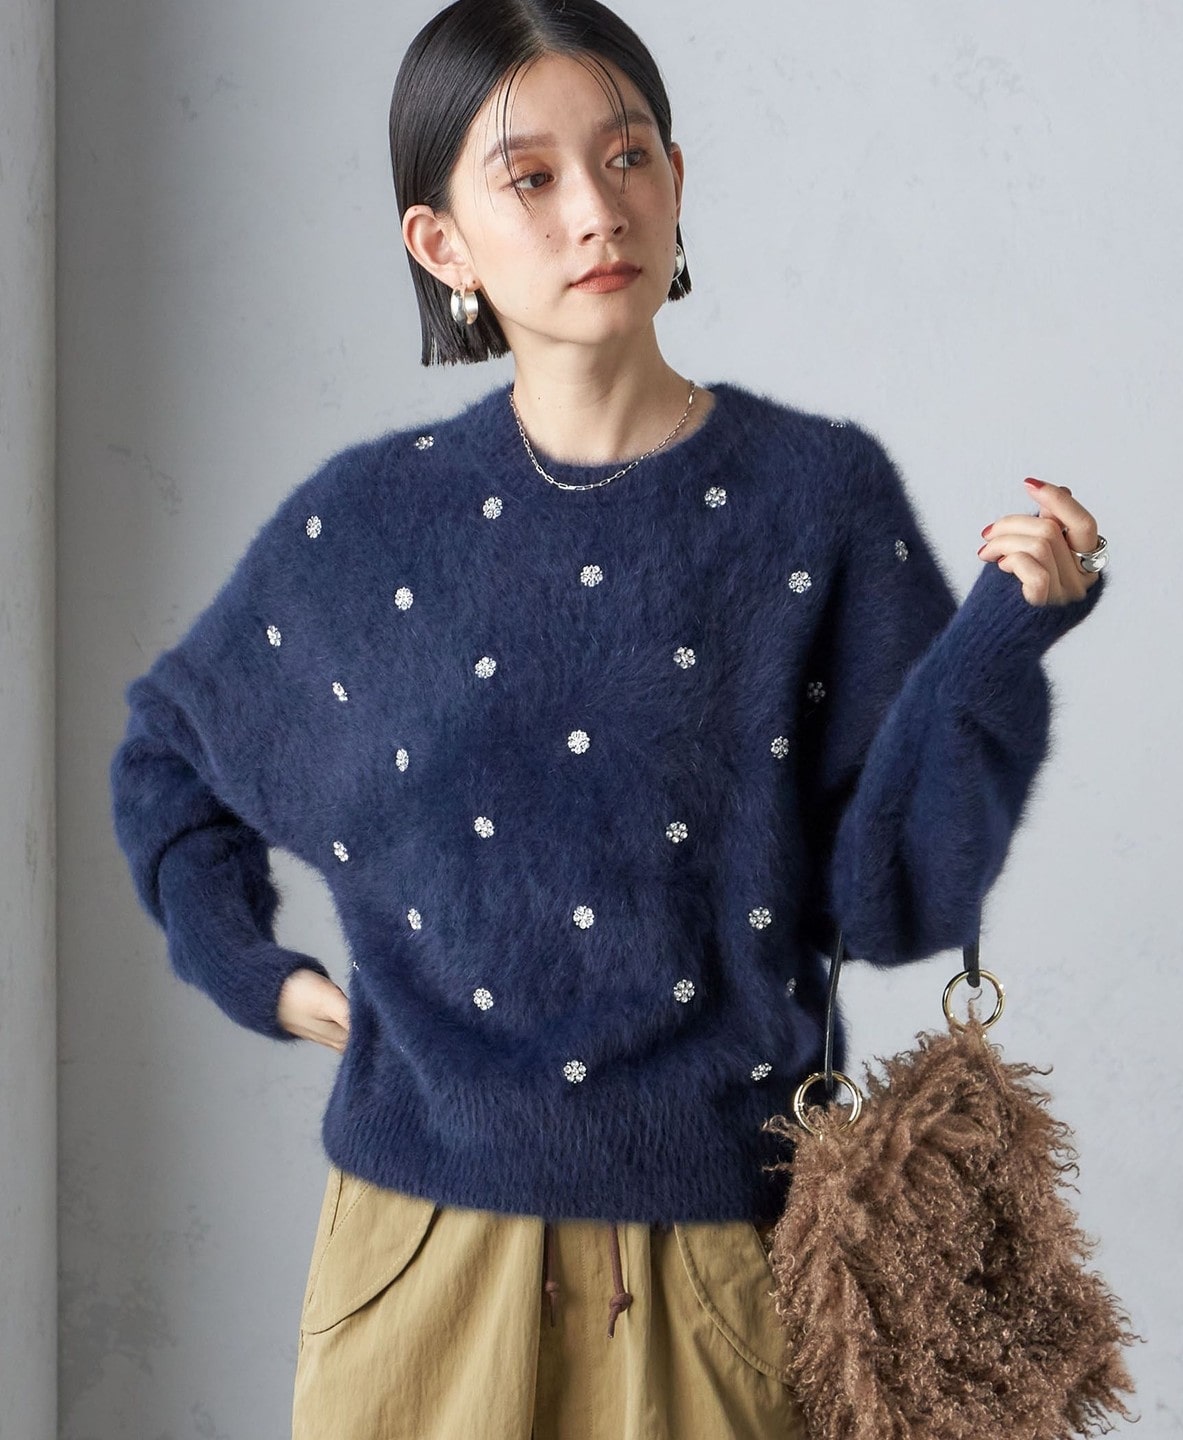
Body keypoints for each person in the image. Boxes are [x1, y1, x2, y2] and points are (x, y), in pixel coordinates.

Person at [107, 0, 1108, 1435]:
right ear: (440, 244)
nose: (596, 208)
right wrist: (245, 966)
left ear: (677, 180)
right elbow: (170, 754)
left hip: (724, 1264)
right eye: (530, 177)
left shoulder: (817, 500)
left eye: (628, 155)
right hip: (416, 1262)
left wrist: (1001, 643)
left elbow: (894, 902)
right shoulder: (368, 524)